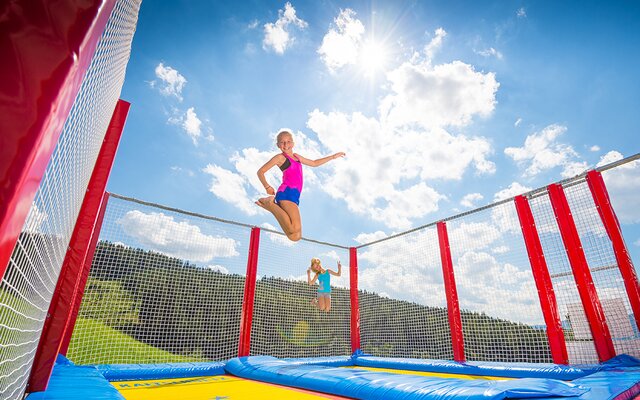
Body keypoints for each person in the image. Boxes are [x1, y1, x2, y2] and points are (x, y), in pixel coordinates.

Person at [256, 130, 345, 241]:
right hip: (286, 193)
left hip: (295, 196)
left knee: (295, 236)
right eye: (282, 142)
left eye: (288, 141)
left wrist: (332, 157)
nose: (285, 145)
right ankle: (270, 203)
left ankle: (272, 206)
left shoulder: (297, 157)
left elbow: (314, 163)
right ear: (278, 145)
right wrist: (267, 186)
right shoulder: (280, 158)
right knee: (294, 229)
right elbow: (260, 172)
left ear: (293, 143)